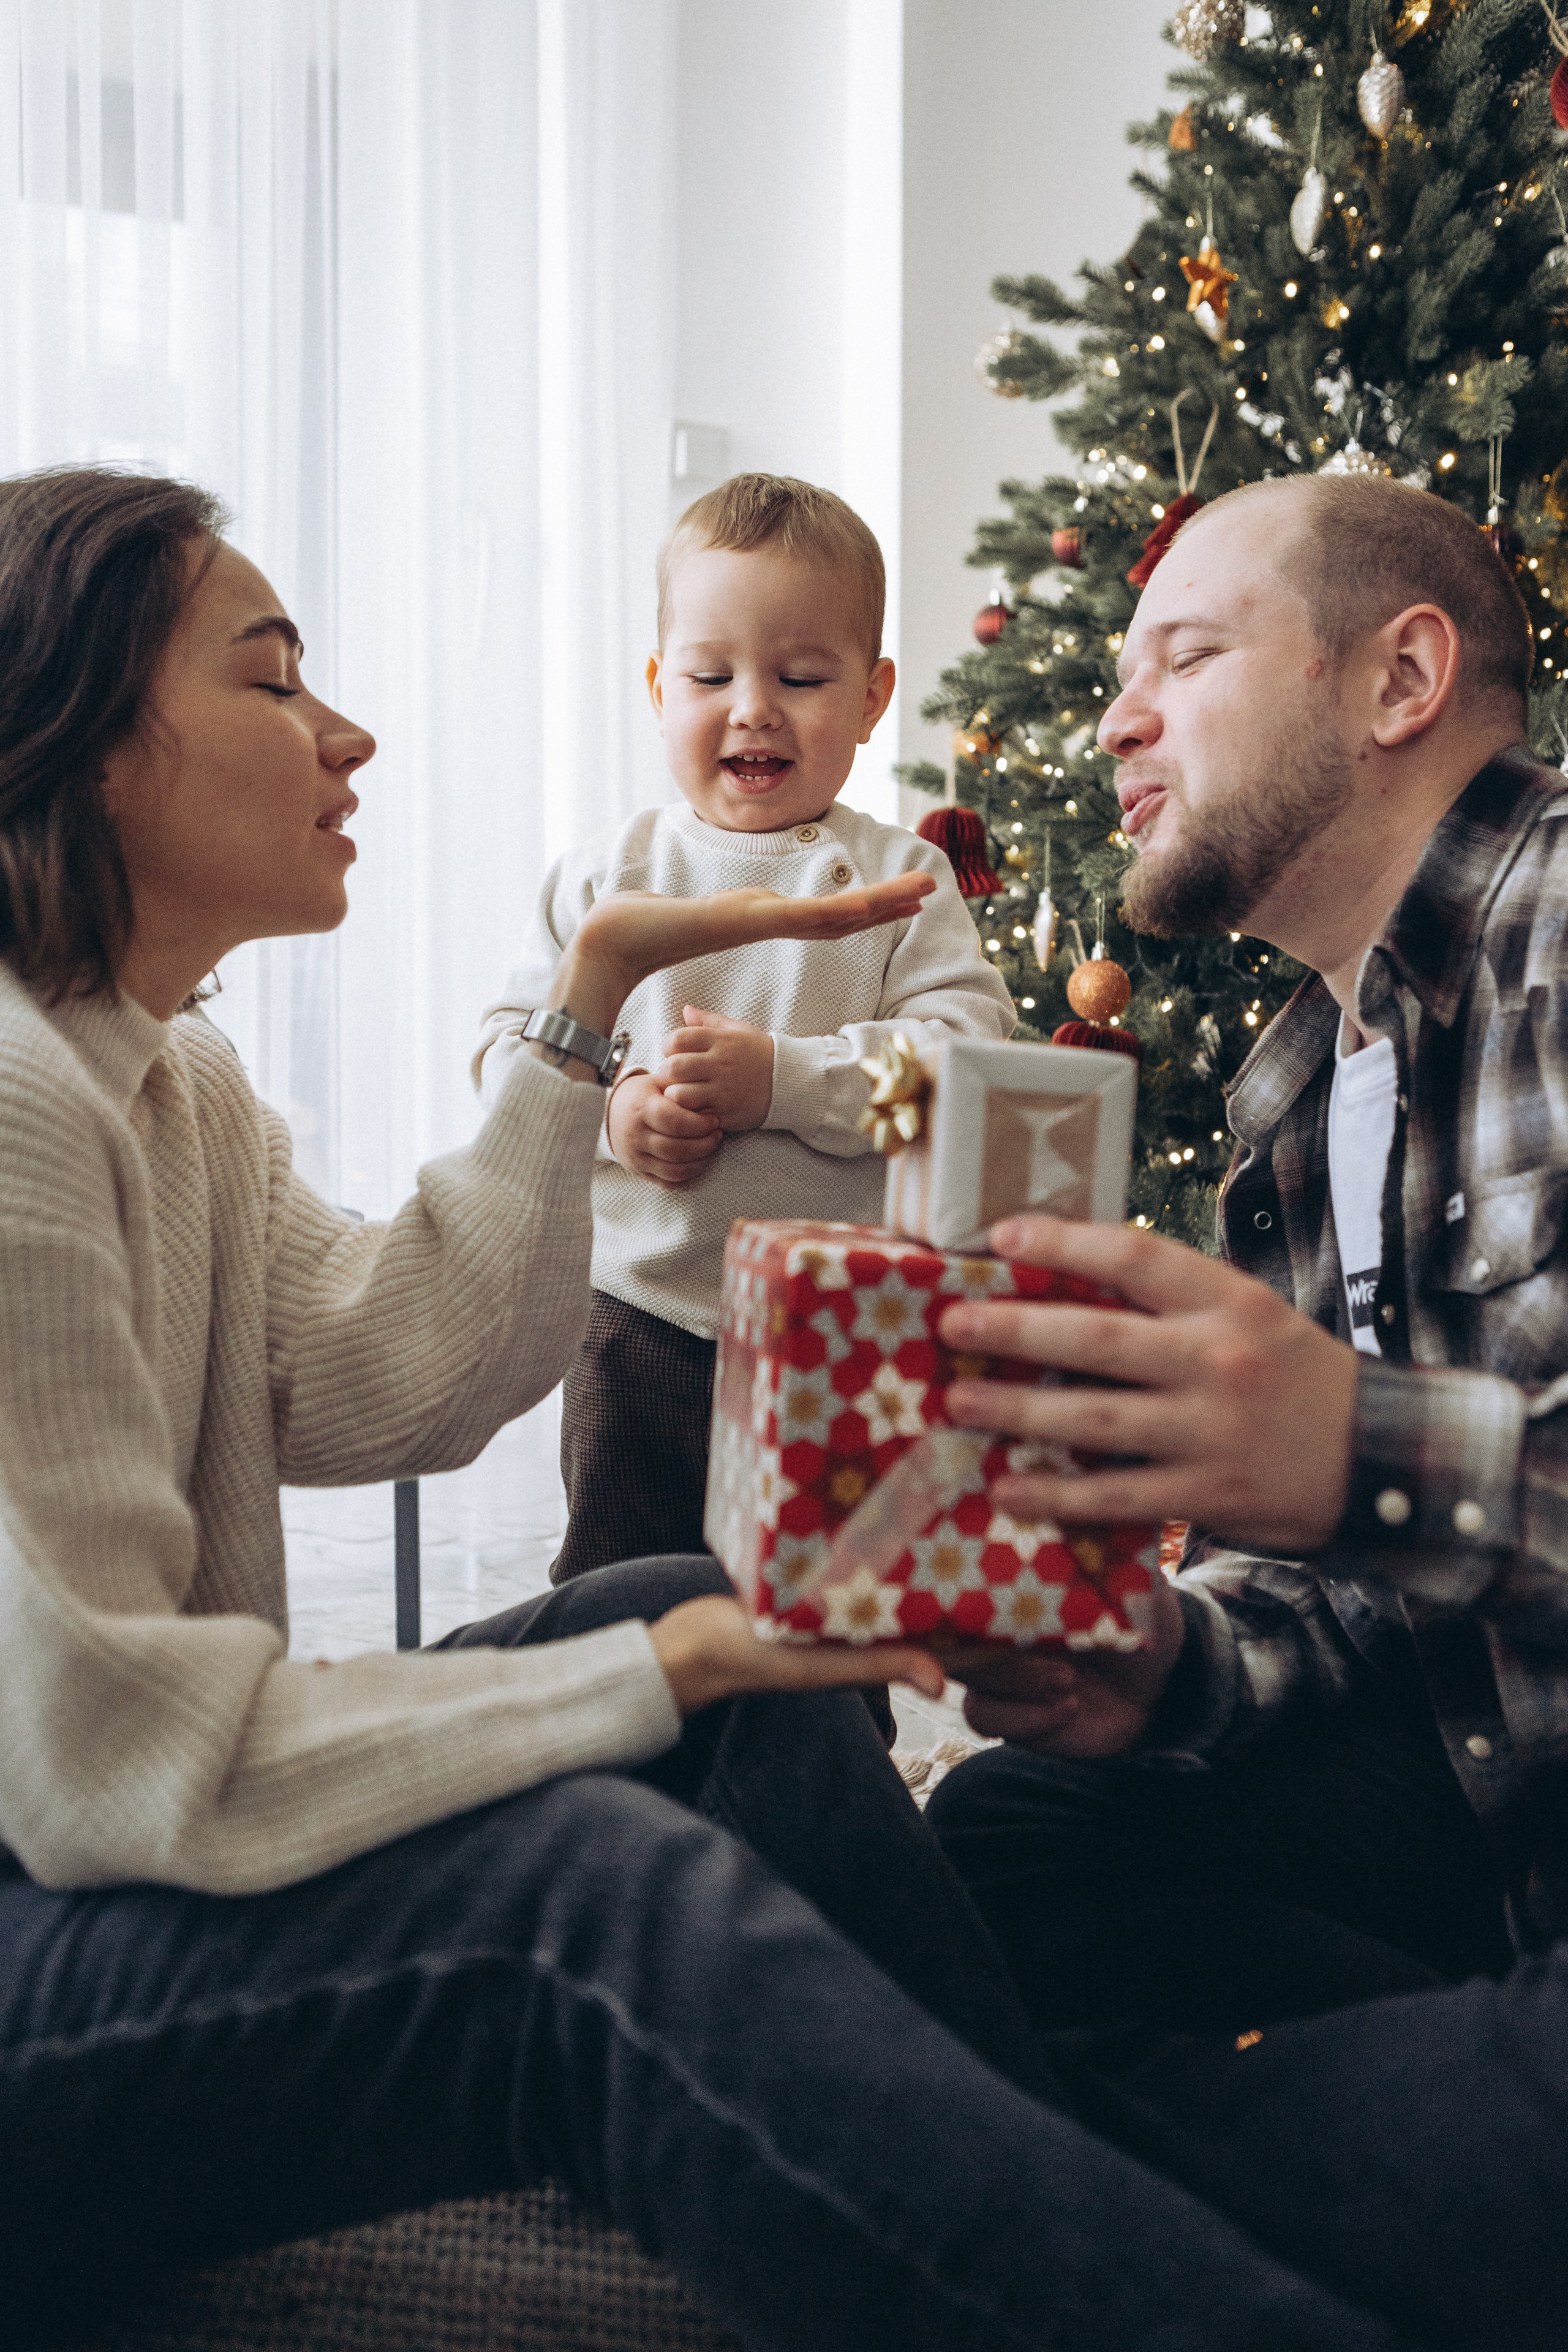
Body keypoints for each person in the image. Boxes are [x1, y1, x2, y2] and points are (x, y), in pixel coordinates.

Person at [2, 464, 1430, 2352]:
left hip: (804, 1357)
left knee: (709, 1648)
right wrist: (670, 1655)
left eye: (805, 677)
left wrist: (647, 1025)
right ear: (86, 741)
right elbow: (111, 1764)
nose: (348, 731)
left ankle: (1024, 2183)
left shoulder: (178, 1084)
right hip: (61, 1910)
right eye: (273, 680)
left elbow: (401, 1375)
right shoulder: (19, 1105)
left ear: (870, 692)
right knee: (600, 1855)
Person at [473, 473, 1012, 1591]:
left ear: (872, 698)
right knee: (622, 1600)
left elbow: (963, 1076)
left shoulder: (902, 882)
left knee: (824, 1618)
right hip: (634, 1318)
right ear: (659, 687)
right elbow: (504, 1058)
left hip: (842, 1331)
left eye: (801, 678)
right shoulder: (608, 878)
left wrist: (785, 1082)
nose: (755, 708)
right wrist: (614, 1113)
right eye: (712, 676)